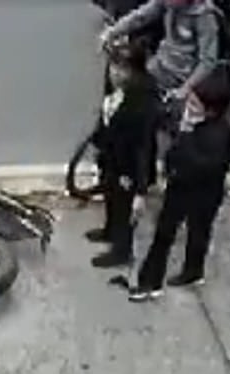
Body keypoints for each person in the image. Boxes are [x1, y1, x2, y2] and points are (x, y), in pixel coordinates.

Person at [128, 64, 230, 302]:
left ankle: (193, 271)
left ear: (211, 110)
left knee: (199, 231)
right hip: (179, 188)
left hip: (203, 193)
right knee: (163, 234)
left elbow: (203, 165)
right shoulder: (193, 123)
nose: (189, 108)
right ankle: (150, 282)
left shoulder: (219, 134)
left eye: (195, 105)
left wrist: (186, 135)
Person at [87, 42, 161, 268]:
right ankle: (109, 231)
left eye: (122, 69)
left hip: (129, 166)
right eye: (113, 67)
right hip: (112, 158)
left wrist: (140, 187)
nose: (115, 73)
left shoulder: (142, 101)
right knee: (111, 197)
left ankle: (121, 251)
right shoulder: (114, 89)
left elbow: (143, 145)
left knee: (124, 209)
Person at [99, 0, 220, 99]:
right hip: (159, 62)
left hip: (179, 77)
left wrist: (186, 88)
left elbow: (208, 61)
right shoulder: (167, 3)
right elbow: (141, 16)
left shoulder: (204, 18)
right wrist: (113, 31)